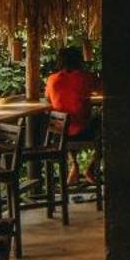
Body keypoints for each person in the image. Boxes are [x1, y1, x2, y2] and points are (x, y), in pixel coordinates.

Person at [44, 46, 100, 185]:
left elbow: (48, 98)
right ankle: (91, 168)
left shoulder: (52, 79)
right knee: (105, 124)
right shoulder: (86, 77)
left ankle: (73, 164)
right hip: (83, 132)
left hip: (58, 133)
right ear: (80, 60)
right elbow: (102, 89)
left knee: (67, 120)